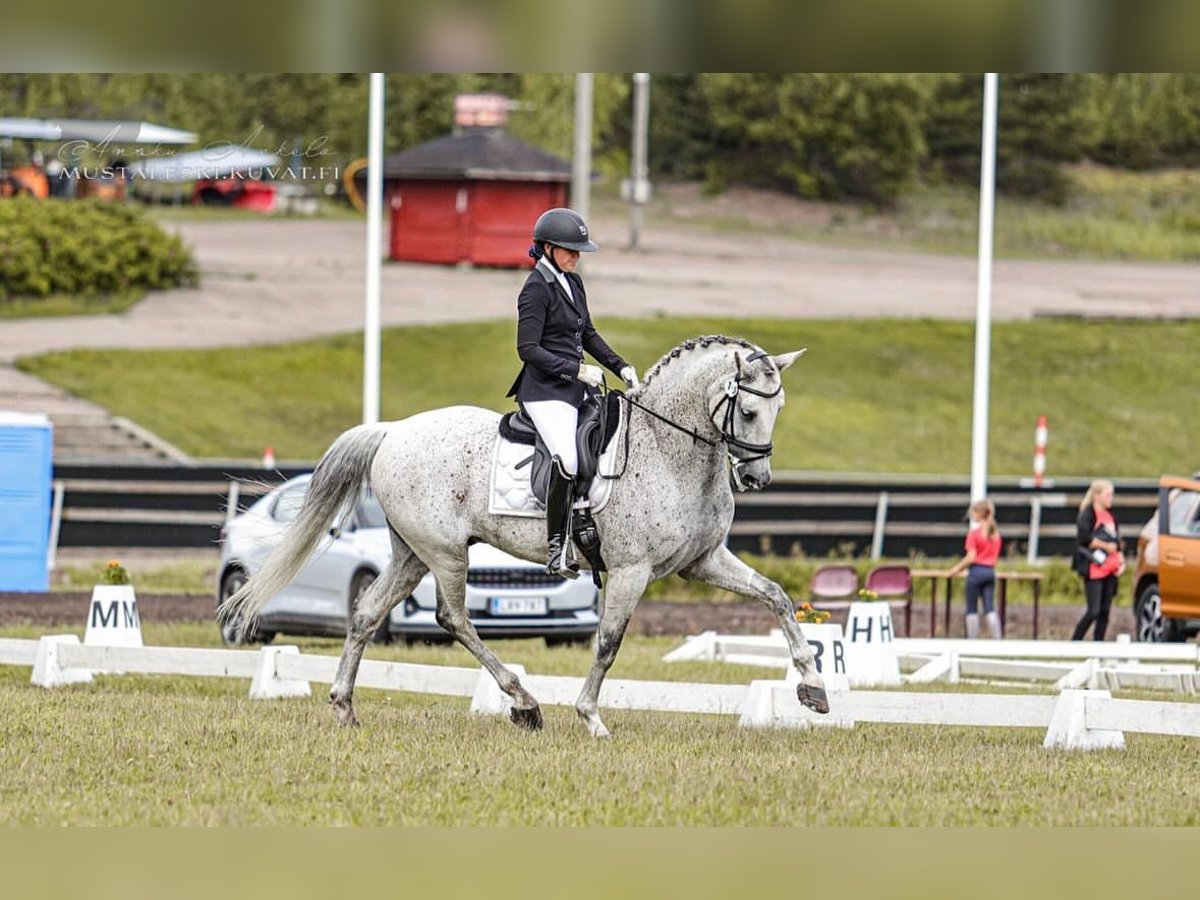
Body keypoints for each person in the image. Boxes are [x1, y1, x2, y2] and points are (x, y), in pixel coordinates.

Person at [505, 208, 638, 577]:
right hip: (545, 392)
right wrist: (577, 370)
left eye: (579, 250)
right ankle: (556, 547)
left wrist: (620, 366)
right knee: (567, 458)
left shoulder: (573, 283)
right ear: (547, 248)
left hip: (574, 388)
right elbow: (527, 349)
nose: (576, 256)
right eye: (569, 249)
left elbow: (588, 334)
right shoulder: (535, 289)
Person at [1071, 479, 1124, 641]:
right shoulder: (1087, 515)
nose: (1111, 498)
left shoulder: (1111, 517)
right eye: (1108, 495)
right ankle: (1075, 641)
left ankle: (1098, 645)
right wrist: (1106, 546)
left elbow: (1117, 541)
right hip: (1094, 568)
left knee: (1104, 611)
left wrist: (1120, 559)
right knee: (1093, 610)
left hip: (1110, 568)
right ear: (1097, 495)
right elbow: (1084, 538)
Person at [947, 498, 1003, 639]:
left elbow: (971, 557)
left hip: (976, 572)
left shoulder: (974, 534)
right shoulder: (995, 535)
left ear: (979, 513)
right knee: (989, 607)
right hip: (990, 571)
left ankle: (972, 640)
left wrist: (956, 569)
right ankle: (998, 639)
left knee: (972, 608)